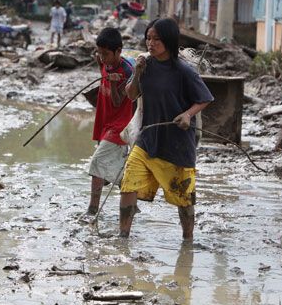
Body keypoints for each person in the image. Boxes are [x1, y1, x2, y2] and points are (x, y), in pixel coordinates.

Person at [119, 17, 214, 240]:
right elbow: (131, 94)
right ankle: (123, 236)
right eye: (148, 38)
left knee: (184, 199)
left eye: (156, 39)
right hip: (147, 141)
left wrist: (187, 114)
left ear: (169, 42)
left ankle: (188, 240)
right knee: (128, 185)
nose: (150, 44)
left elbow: (205, 98)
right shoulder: (145, 65)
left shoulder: (184, 72)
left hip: (177, 146)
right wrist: (138, 72)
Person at [87, 28, 134, 215]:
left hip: (119, 126)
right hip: (105, 123)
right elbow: (102, 64)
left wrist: (115, 83)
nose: (103, 57)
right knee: (109, 168)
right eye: (100, 53)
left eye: (106, 54)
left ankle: (92, 210)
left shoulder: (127, 71)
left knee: (97, 163)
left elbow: (117, 101)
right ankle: (132, 193)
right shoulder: (105, 63)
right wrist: (99, 59)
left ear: (118, 51)